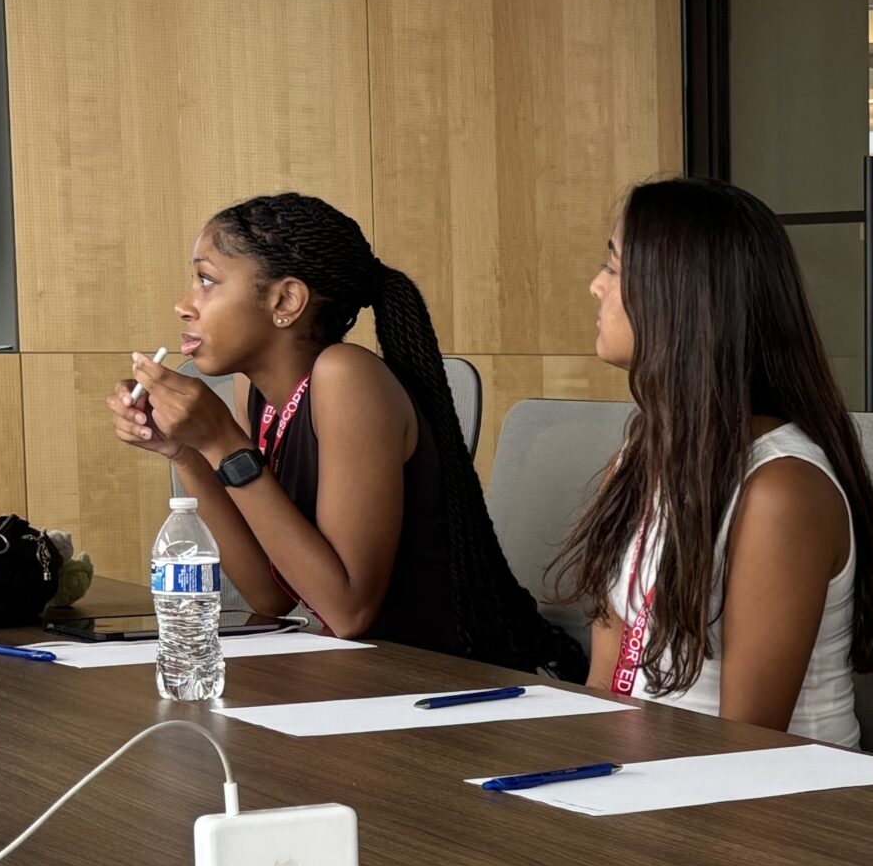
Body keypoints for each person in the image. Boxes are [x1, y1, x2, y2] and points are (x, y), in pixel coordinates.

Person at [108, 193, 579, 677]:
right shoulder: (252, 390)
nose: (184, 305)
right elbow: (272, 592)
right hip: (361, 683)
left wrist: (223, 444)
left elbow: (348, 611)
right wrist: (186, 451)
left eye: (206, 281)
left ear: (285, 301)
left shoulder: (346, 376)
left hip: (447, 683)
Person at [556, 178, 873, 747]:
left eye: (614, 268)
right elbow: (605, 682)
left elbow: (746, 744)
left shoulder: (780, 490)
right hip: (649, 779)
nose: (596, 287)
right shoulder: (639, 462)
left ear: (679, 298)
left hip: (770, 809)